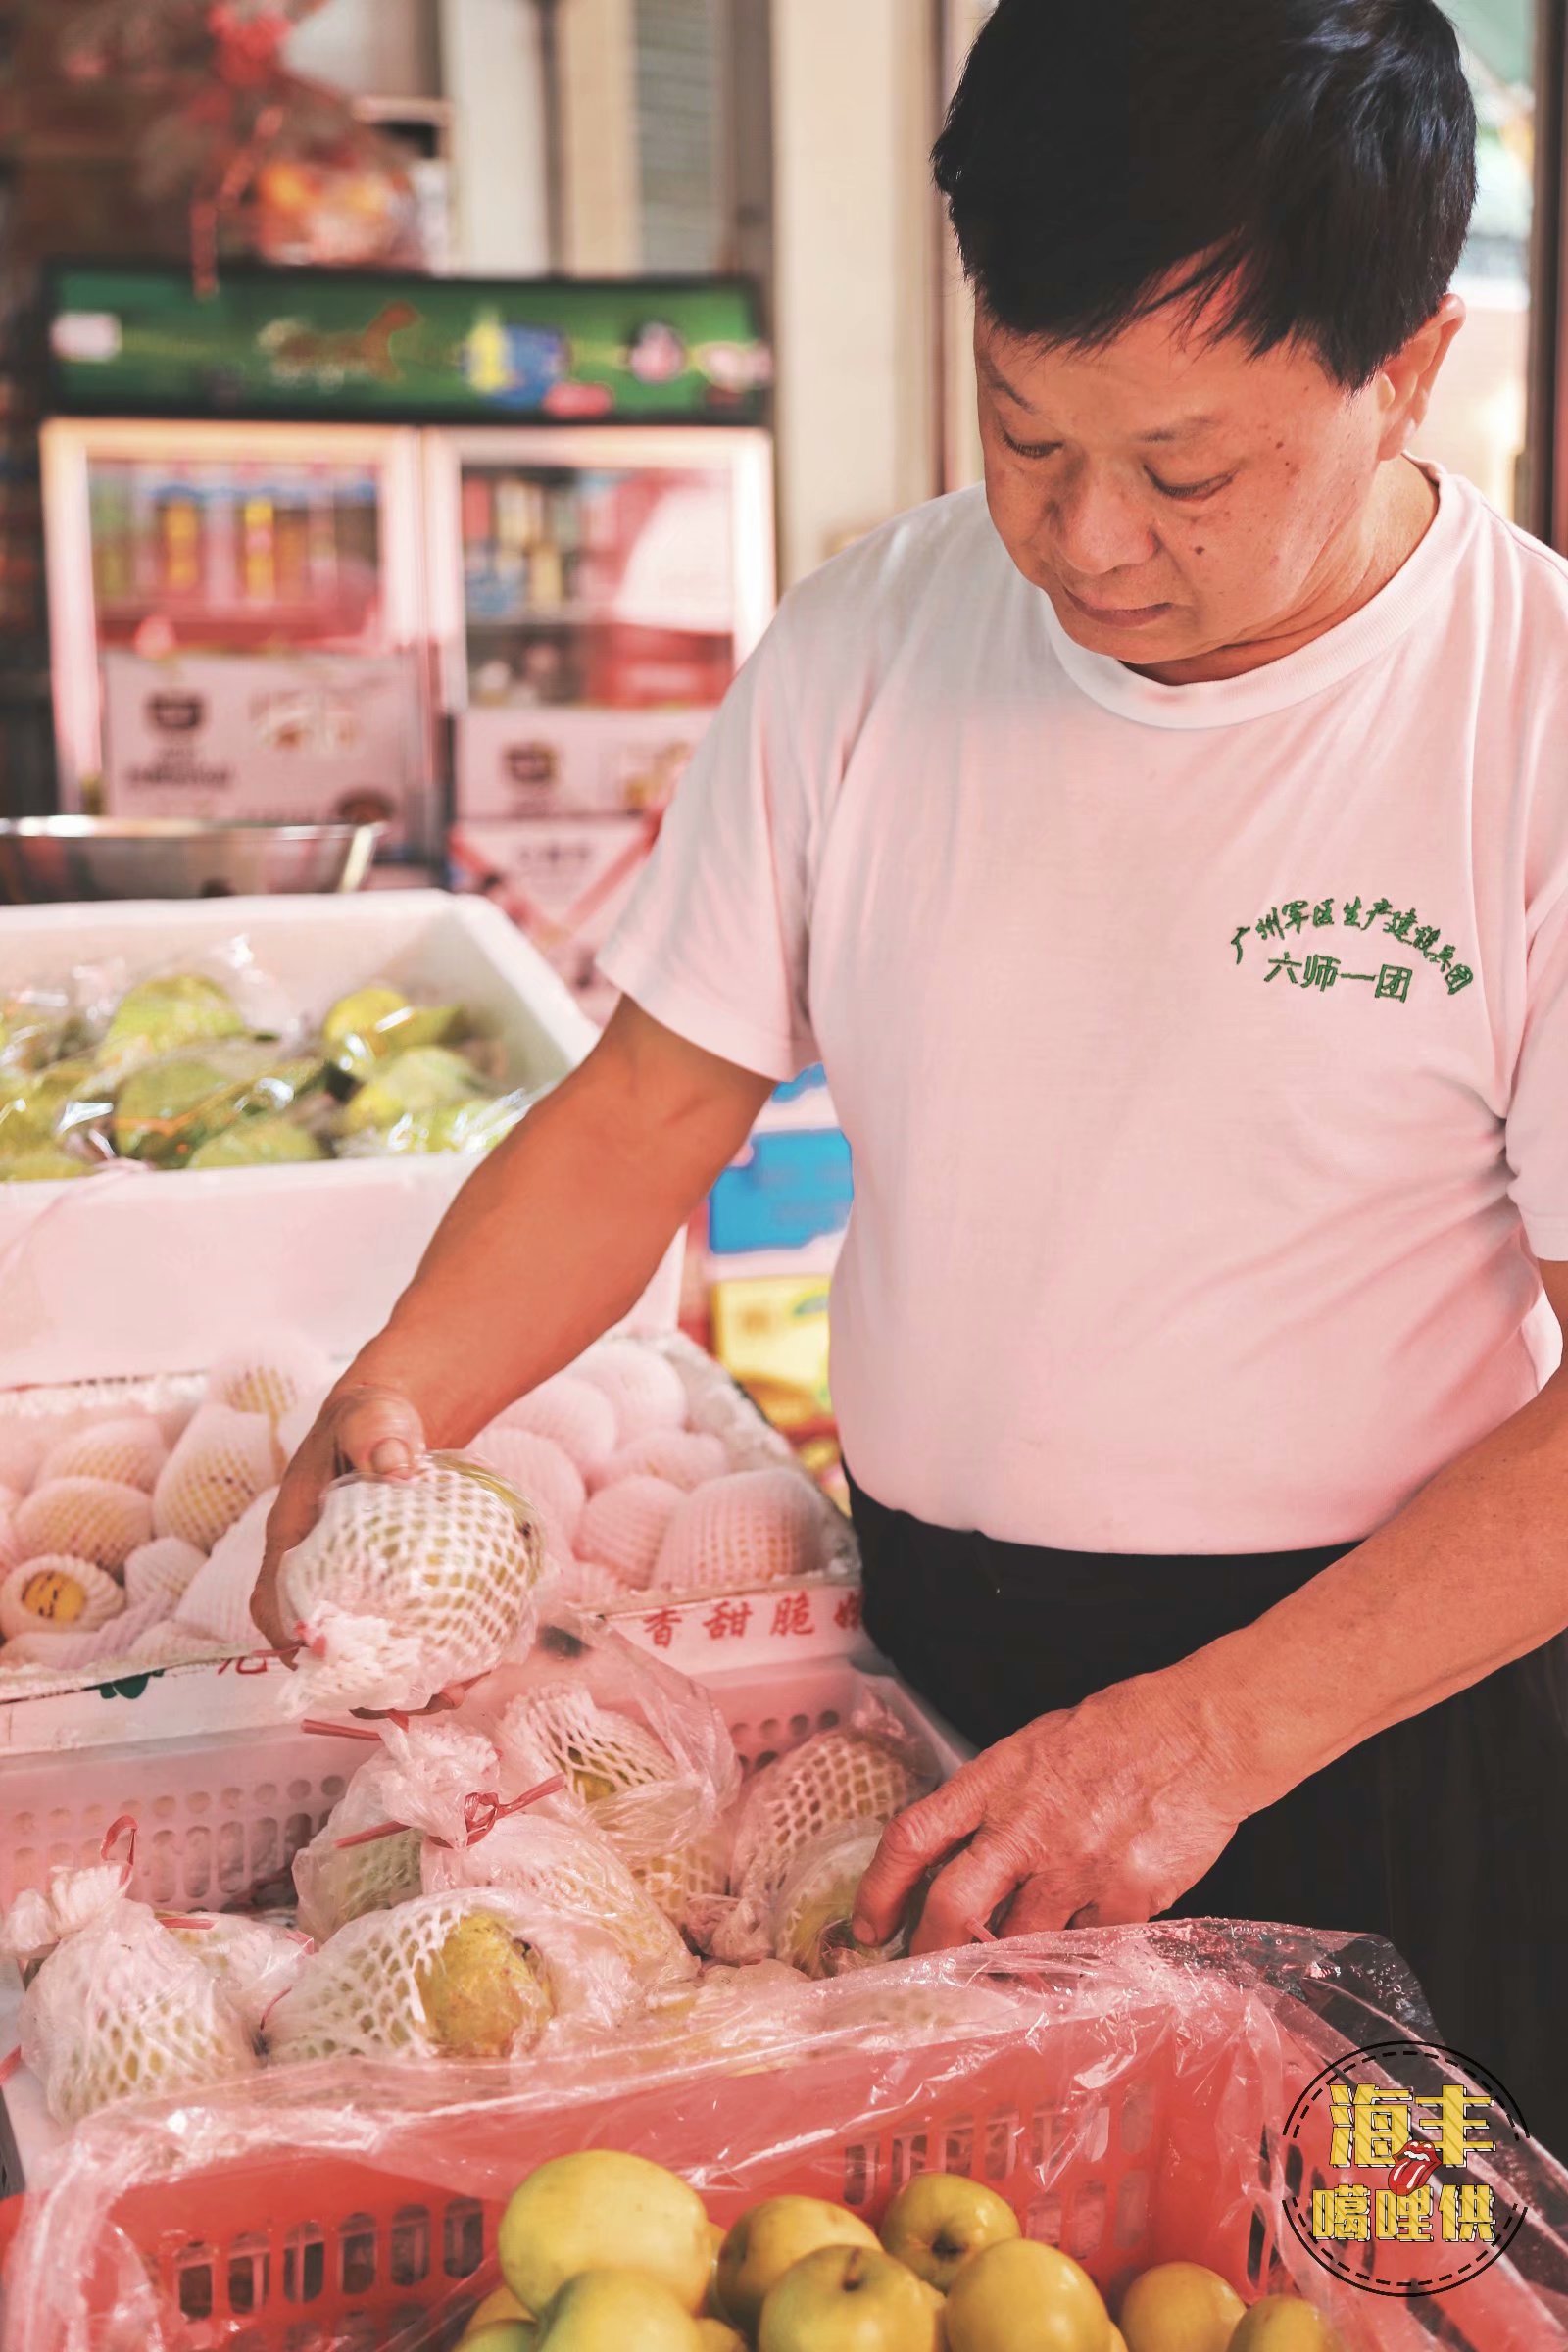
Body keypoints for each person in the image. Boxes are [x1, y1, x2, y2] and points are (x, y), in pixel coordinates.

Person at [254, 0, 1568, 2152]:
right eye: (1024, 432)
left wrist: (1210, 1739)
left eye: (1185, 470)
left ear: (1406, 366)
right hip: (925, 1669)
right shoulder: (870, 639)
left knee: (1335, 2270)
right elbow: (646, 1108)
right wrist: (405, 1391)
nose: (1088, 544)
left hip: (1358, 1711)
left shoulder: (1515, 734)